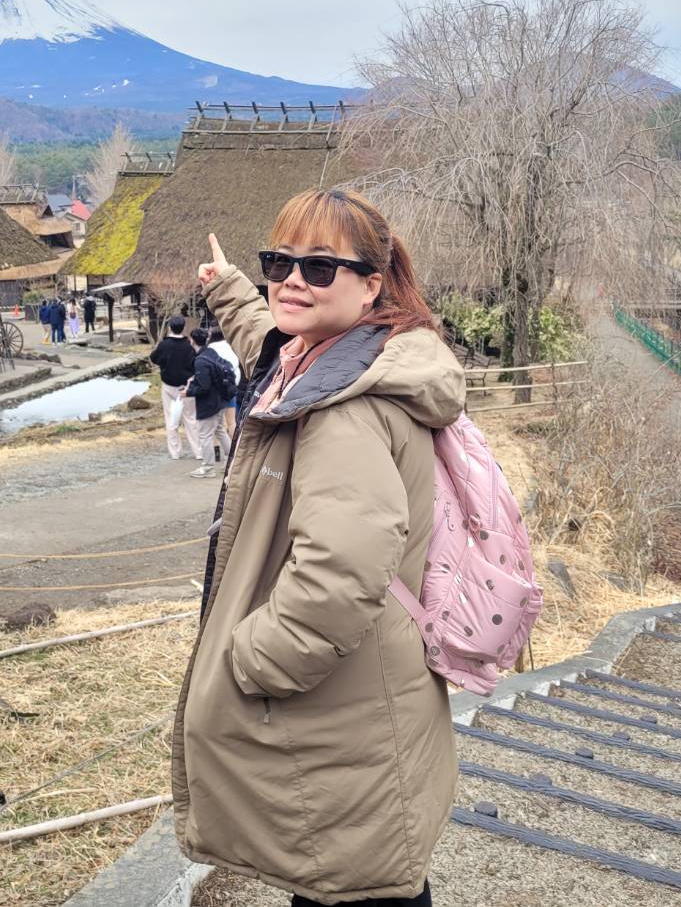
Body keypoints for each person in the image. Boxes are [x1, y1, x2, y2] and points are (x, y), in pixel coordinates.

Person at [173, 188, 463, 907]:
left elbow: (339, 570)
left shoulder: (347, 410)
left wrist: (252, 660)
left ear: (372, 284)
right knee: (354, 875)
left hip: (340, 707)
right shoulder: (338, 359)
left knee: (355, 884)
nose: (292, 280)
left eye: (320, 267)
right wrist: (231, 291)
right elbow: (269, 348)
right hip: (360, 699)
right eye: (279, 262)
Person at [183, 328, 235, 478]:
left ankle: (208, 468)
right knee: (220, 431)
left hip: (209, 403)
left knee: (205, 435)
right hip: (221, 400)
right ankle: (233, 462)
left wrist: (187, 392)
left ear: (192, 341)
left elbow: (204, 386)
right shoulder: (211, 353)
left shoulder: (200, 361)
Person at [150, 316, 200, 460]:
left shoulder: (164, 345)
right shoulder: (188, 345)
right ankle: (199, 452)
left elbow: (154, 358)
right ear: (183, 327)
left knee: (172, 420)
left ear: (170, 327)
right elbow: (195, 363)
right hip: (187, 386)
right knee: (191, 419)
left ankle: (175, 452)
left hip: (168, 386)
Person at [207, 324, 241, 440]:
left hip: (215, 391)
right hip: (231, 388)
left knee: (214, 424)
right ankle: (234, 449)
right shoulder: (232, 347)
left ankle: (216, 452)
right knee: (232, 422)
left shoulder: (209, 350)